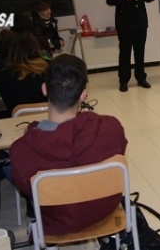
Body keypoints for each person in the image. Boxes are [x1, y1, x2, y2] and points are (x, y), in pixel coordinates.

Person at [10, 54, 127, 235]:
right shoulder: (111, 128)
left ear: (44, 89)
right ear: (83, 94)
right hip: (103, 214)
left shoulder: (21, 150)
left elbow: (27, 189)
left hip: (56, 223)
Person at [106, 0, 158, 92]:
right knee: (125, 52)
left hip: (141, 22)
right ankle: (124, 80)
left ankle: (141, 78)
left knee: (140, 51)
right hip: (125, 23)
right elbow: (109, 0)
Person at [0, 32, 49, 114]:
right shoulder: (51, 68)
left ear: (13, 51)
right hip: (49, 118)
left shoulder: (3, 75)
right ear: (37, 49)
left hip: (17, 121)